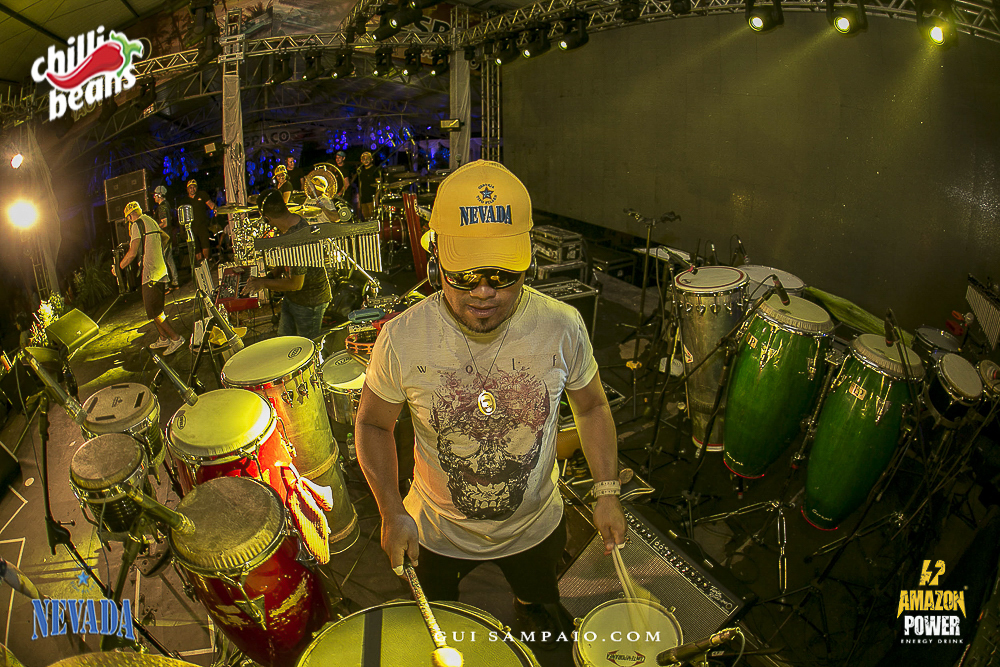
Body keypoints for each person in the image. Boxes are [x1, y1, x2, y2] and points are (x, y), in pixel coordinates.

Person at [354, 160, 626, 643]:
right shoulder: (402, 338)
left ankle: (529, 611)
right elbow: (373, 424)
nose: (483, 293)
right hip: (434, 532)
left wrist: (606, 491)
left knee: (538, 609)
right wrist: (391, 510)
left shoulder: (562, 327)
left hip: (537, 528)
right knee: (440, 627)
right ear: (436, 262)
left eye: (502, 275)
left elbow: (591, 407)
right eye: (463, 276)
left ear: (528, 264)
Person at [242, 190, 332, 340]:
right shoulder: (289, 225)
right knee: (284, 342)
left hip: (309, 301)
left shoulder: (298, 237)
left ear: (266, 218)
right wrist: (269, 277)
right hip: (293, 297)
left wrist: (263, 283)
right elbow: (287, 260)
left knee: (306, 346)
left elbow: (296, 284)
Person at [114, 202, 185, 355]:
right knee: (154, 309)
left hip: (151, 273)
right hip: (160, 270)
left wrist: (118, 268)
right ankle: (163, 338)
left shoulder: (136, 224)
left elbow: (132, 253)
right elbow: (166, 238)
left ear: (130, 216)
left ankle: (176, 338)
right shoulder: (150, 220)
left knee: (155, 311)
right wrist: (153, 254)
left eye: (128, 219)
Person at [178, 179, 216, 263]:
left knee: (205, 244)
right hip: (191, 228)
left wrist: (215, 209)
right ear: (187, 189)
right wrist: (182, 230)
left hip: (202, 226)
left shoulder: (202, 195)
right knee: (196, 248)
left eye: (194, 187)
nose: (192, 189)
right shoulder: (184, 201)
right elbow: (181, 216)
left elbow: (210, 204)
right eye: (190, 187)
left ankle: (207, 262)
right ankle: (200, 265)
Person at [152, 186, 180, 292]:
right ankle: (175, 282)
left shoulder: (162, 207)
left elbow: (165, 223)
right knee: (169, 259)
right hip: (168, 236)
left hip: (164, 238)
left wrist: (154, 228)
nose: (154, 197)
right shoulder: (167, 205)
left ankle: (167, 285)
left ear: (159, 195)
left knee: (163, 261)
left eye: (155, 195)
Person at [352, 151, 379, 221]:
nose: (365, 160)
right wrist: (360, 198)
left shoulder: (374, 169)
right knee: (366, 218)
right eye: (364, 159)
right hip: (364, 198)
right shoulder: (361, 170)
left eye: (367, 158)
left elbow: (379, 184)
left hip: (372, 198)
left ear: (371, 159)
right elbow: (360, 184)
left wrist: (376, 197)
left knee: (373, 217)